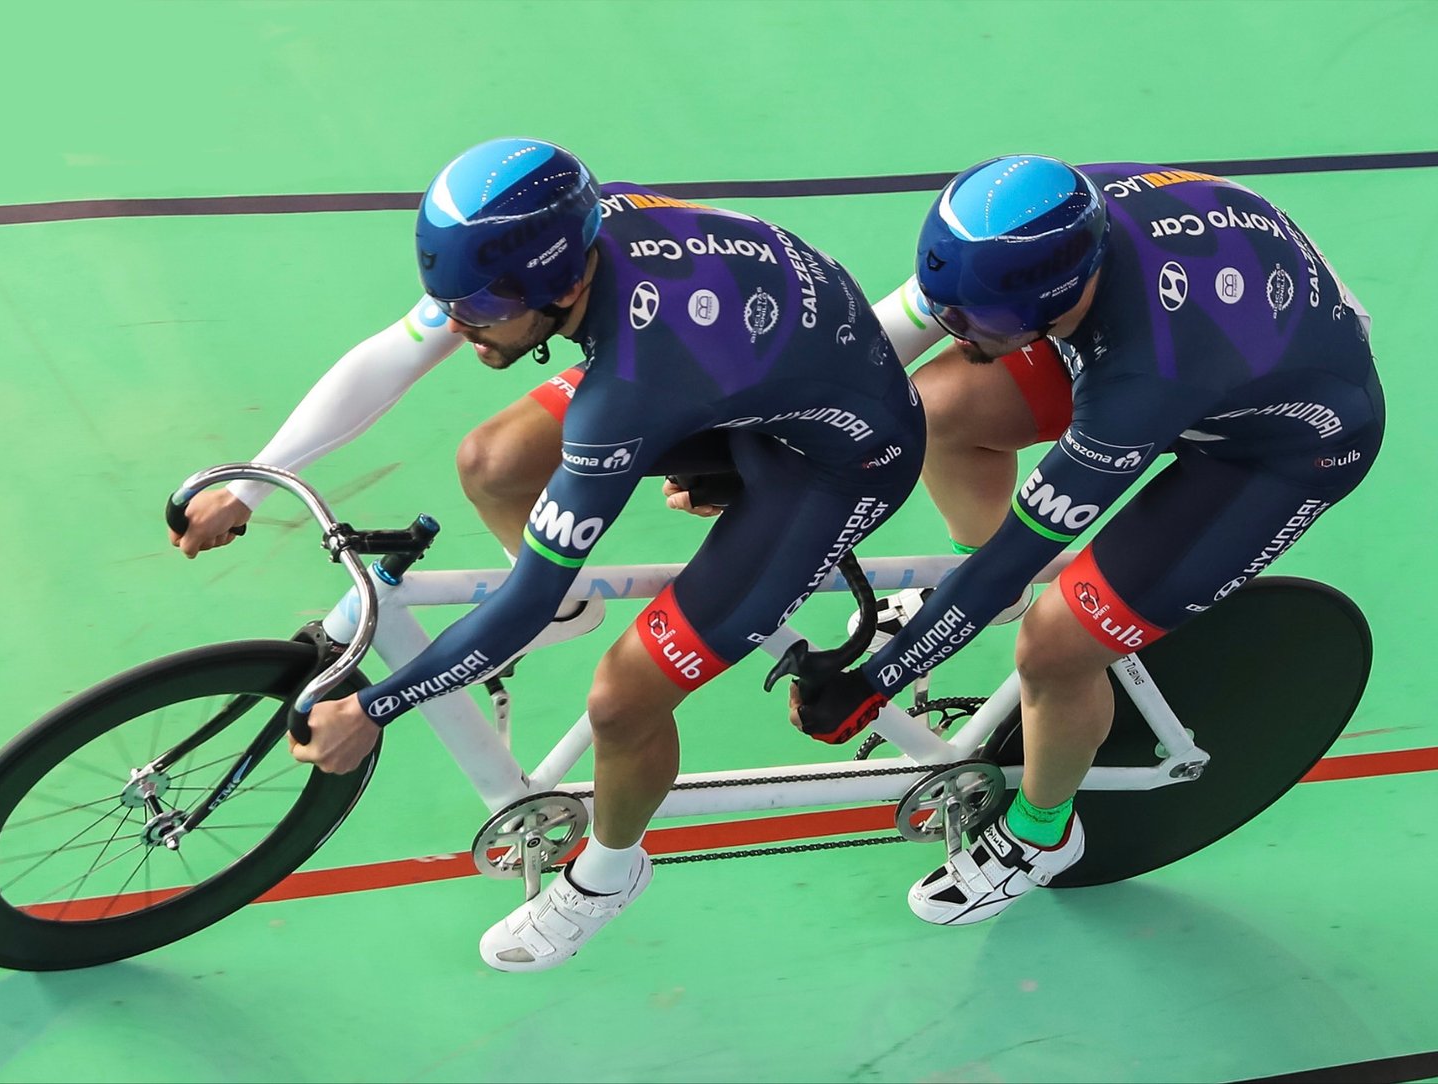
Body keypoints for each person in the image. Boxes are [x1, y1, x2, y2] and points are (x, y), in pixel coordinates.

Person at [170, 137, 927, 970]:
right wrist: (253, 485)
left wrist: (374, 708)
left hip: (832, 466)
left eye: (480, 318)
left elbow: (526, 589)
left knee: (623, 699)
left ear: (564, 286)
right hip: (741, 381)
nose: (461, 331)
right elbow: (398, 349)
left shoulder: (625, 392)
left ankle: (609, 874)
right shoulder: (572, 241)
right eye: (451, 307)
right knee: (492, 462)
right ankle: (575, 617)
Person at [790, 154, 1383, 926]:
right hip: (1218, 344)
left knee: (1057, 643)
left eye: (981, 325)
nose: (961, 338)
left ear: (1060, 300)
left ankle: (1044, 833)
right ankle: (971, 607)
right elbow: (876, 346)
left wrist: (877, 681)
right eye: (950, 312)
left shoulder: (1141, 383)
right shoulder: (1034, 226)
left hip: (1280, 452)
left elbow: (1018, 560)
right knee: (932, 408)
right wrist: (759, 445)